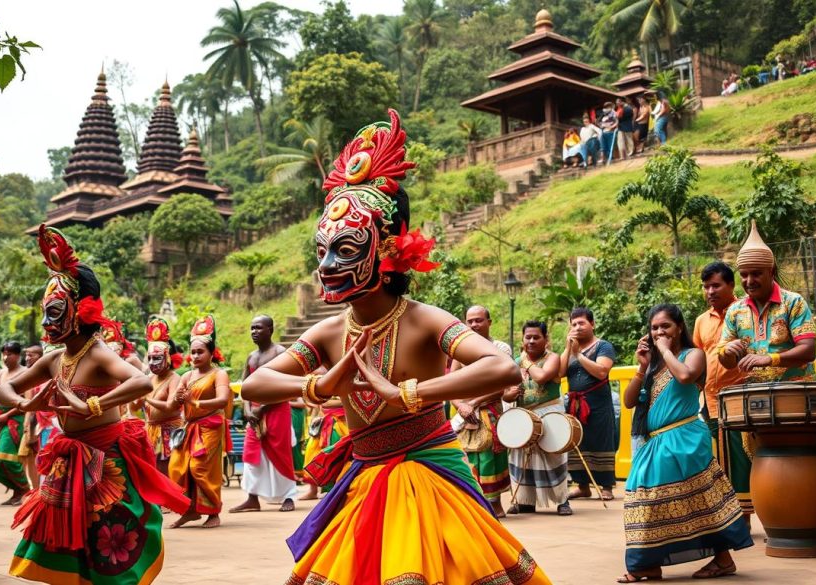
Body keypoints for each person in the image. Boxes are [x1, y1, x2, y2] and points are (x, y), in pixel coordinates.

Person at [243, 109, 550, 585]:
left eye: (344, 250)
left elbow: (503, 368)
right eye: (320, 250)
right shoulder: (327, 333)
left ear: (386, 250)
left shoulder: (423, 320)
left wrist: (407, 394)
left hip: (430, 472)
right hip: (364, 480)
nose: (325, 265)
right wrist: (320, 383)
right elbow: (254, 385)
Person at [0, 225, 189, 584]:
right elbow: (2, 392)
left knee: (108, 538)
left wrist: (93, 406)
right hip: (69, 461)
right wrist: (24, 403)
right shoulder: (53, 359)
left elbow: (141, 380)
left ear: (81, 311)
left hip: (106, 461)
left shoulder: (98, 354)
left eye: (55, 312)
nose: (46, 323)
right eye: (45, 313)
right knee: (68, 541)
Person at [619, 304, 752, 582]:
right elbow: (630, 401)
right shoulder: (653, 365)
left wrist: (665, 350)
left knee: (676, 498)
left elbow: (685, 376)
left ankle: (647, 564)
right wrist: (642, 367)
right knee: (684, 500)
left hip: (684, 437)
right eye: (654, 328)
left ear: (679, 327)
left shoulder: (694, 355)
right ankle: (715, 559)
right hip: (656, 442)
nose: (659, 332)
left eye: (665, 326)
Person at [718, 221, 816, 383]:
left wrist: (770, 359)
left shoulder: (793, 303)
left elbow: (809, 351)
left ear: (771, 272)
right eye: (743, 275)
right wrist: (727, 353)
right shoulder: (735, 310)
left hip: (797, 394)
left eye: (756, 273)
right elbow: (727, 364)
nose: (749, 281)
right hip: (756, 398)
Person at [692, 262, 753, 515]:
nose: (710, 291)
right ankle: (724, 515)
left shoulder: (745, 313)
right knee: (715, 460)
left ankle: (744, 515)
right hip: (708, 400)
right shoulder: (701, 321)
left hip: (739, 398)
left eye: (716, 285)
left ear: (731, 285)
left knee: (739, 459)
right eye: (706, 287)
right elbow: (696, 355)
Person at [167, 316, 233, 529]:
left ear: (211, 353)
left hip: (210, 426)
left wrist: (192, 400)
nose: (195, 356)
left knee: (200, 469)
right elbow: (176, 403)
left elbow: (222, 400)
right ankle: (190, 511)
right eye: (192, 352)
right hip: (190, 427)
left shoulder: (219, 374)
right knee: (178, 467)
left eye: (200, 352)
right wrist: (177, 399)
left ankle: (213, 512)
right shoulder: (186, 376)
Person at [451, 305, 512, 516]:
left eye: (479, 320)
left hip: (488, 412)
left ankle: (494, 506)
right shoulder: (459, 351)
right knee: (464, 458)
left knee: (489, 459)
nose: (474, 324)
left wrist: (473, 403)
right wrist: (460, 405)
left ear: (489, 322)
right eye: (470, 321)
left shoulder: (500, 349)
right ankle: (472, 505)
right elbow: (450, 384)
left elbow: (502, 387)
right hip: (462, 415)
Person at [232, 315, 297, 513]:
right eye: (252, 328)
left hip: (277, 409)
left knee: (281, 452)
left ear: (270, 329)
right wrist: (247, 409)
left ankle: (289, 496)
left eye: (258, 328)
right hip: (254, 413)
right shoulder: (251, 357)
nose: (254, 332)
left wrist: (264, 407)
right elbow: (244, 387)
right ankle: (252, 497)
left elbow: (288, 386)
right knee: (251, 453)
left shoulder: (281, 353)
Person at [506, 321, 571, 516]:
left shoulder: (553, 358)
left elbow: (541, 377)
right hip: (524, 415)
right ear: (522, 339)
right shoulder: (515, 362)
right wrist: (510, 394)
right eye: (528, 337)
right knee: (520, 455)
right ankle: (524, 500)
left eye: (536, 337)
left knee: (553, 454)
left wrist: (525, 362)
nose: (532, 341)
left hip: (549, 412)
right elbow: (505, 393)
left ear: (546, 340)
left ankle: (562, 500)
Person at [561, 306, 618, 501]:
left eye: (582, 323)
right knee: (577, 441)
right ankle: (582, 485)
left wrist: (578, 355)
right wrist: (569, 348)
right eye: (574, 324)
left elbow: (602, 371)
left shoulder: (604, 346)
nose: (577, 327)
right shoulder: (572, 348)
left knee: (601, 440)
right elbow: (560, 372)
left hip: (598, 403)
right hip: (574, 403)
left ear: (592, 324)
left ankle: (606, 486)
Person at [0, 340, 30, 505]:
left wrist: (8, 415)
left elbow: (27, 401)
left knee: (7, 457)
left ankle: (25, 489)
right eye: (4, 354)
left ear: (18, 355)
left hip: (16, 419)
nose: (6, 357)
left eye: (10, 354)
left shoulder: (26, 372)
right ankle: (17, 490)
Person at [141, 315, 183, 475]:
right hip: (150, 431)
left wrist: (146, 398)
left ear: (167, 357)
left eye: (157, 358)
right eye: (149, 358)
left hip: (169, 432)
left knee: (166, 473)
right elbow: (136, 406)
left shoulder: (175, 378)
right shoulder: (149, 378)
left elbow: (170, 406)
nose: (152, 363)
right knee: (152, 473)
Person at [299, 378, 346, 501]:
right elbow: (314, 401)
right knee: (311, 453)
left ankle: (334, 489)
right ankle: (312, 490)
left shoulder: (347, 378)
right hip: (323, 421)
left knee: (335, 452)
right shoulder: (320, 378)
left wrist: (323, 401)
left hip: (341, 422)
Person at [16, 343, 45, 491]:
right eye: (26, 355)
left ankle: (37, 490)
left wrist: (29, 428)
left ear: (41, 356)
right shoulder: (30, 374)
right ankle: (35, 490)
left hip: (41, 424)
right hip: (32, 422)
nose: (27, 358)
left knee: (35, 458)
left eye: (31, 355)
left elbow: (32, 406)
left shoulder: (41, 375)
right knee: (28, 458)